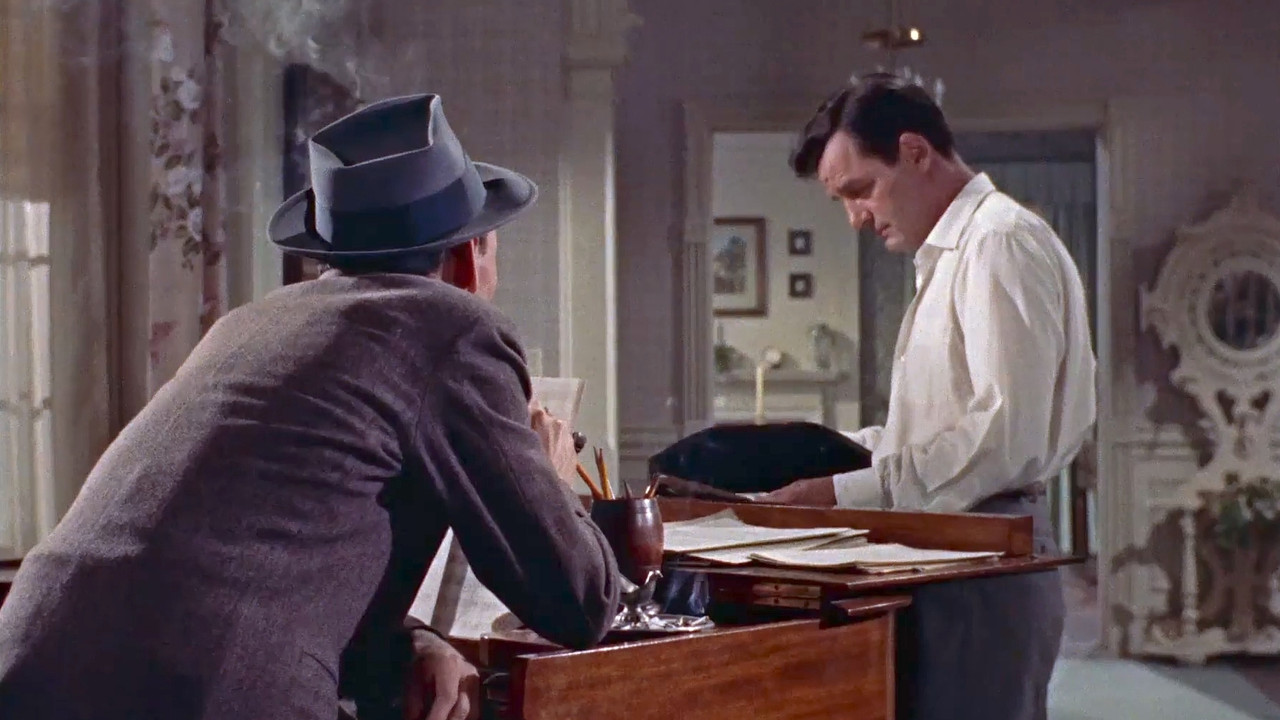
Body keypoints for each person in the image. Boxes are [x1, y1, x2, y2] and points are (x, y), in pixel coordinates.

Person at [0, 94, 621, 720]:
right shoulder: (454, 327)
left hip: (28, 665)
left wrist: (412, 643)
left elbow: (256, 564)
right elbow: (580, 604)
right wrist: (552, 478)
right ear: (468, 257)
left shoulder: (248, 324)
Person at [760, 73, 1097, 720]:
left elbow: (1004, 436)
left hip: (985, 552)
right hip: (950, 548)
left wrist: (843, 492)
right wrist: (823, 452)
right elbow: (942, 426)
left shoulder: (998, 243)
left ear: (914, 152)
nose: (855, 217)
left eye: (859, 190)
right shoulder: (952, 256)